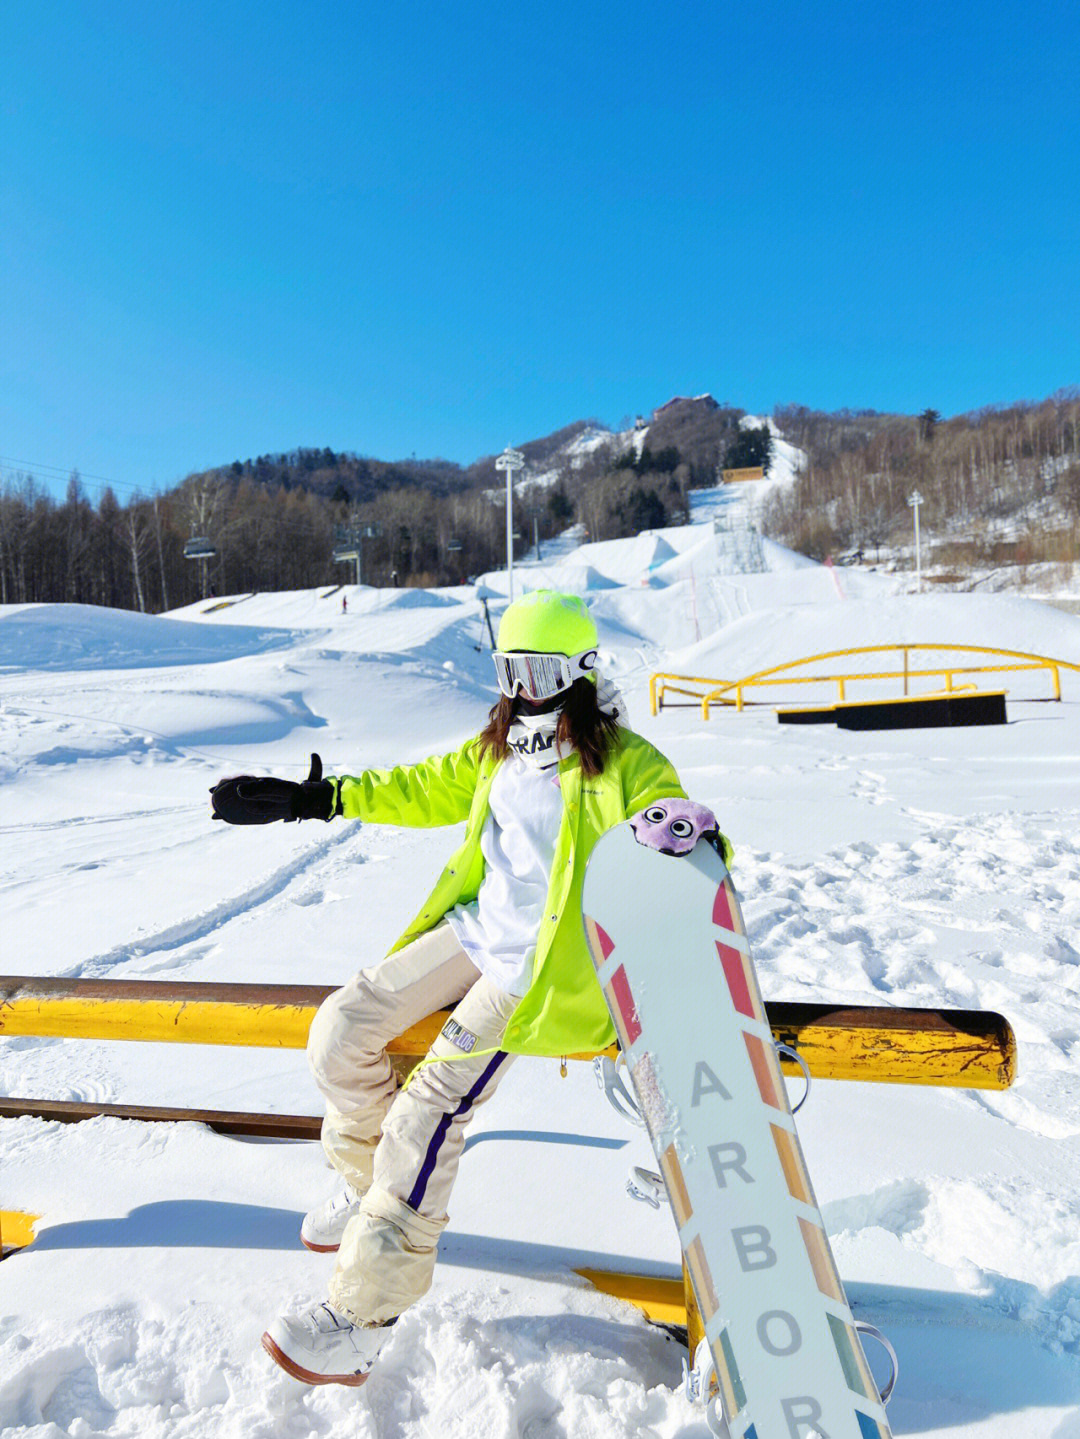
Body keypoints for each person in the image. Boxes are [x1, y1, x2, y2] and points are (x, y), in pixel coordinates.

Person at [209, 590, 728, 1386]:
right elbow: (420, 787)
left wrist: (685, 839)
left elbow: (689, 840)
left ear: (582, 673)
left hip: (543, 966)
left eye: (541, 669)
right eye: (508, 668)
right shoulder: (498, 753)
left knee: (429, 1103)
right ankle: (364, 1184)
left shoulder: (628, 762)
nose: (522, 688)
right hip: (477, 933)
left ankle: (362, 1314)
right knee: (340, 1029)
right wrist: (318, 798)